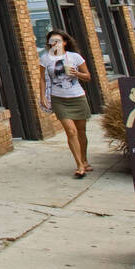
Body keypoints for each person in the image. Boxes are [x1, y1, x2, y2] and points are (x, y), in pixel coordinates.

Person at [39, 29, 93, 178]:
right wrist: (42, 95)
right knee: (71, 131)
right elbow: (42, 78)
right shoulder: (45, 59)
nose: (54, 44)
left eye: (57, 41)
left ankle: (85, 159)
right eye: (51, 41)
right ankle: (79, 165)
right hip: (59, 98)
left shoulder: (75, 57)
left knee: (81, 131)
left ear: (64, 42)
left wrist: (77, 74)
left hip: (77, 97)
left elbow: (88, 77)